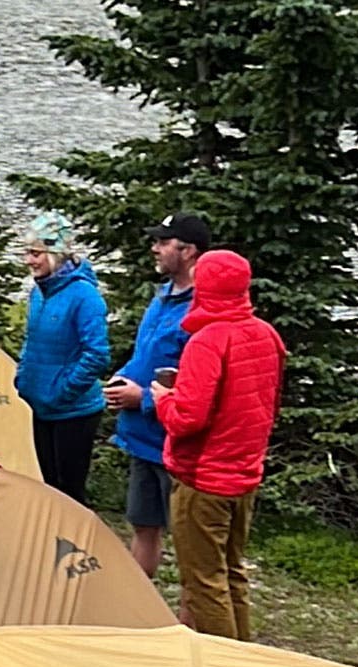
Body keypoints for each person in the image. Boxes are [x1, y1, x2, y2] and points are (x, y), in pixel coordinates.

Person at [151, 248, 286, 643]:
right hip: (244, 474)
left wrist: (162, 398)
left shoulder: (208, 341)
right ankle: (245, 655)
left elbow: (187, 418)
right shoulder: (266, 335)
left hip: (203, 479)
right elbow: (269, 402)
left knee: (203, 581)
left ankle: (225, 665)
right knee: (231, 571)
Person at [103, 212, 209, 577]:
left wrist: (143, 399)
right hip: (142, 437)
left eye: (163, 242)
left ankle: (187, 628)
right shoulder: (162, 297)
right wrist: (123, 378)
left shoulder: (203, 310)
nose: (155, 248)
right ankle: (140, 615)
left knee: (187, 540)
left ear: (188, 251)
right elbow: (146, 357)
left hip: (176, 445)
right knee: (143, 525)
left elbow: (201, 385)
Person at [12, 212, 113, 503]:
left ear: (56, 254)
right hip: (40, 405)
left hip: (74, 411)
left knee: (69, 493)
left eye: (35, 254)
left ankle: (77, 545)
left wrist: (63, 391)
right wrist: (24, 378)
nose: (29, 261)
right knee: (49, 486)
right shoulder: (39, 292)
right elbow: (31, 340)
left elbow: (96, 355)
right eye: (27, 253)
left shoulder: (85, 296)